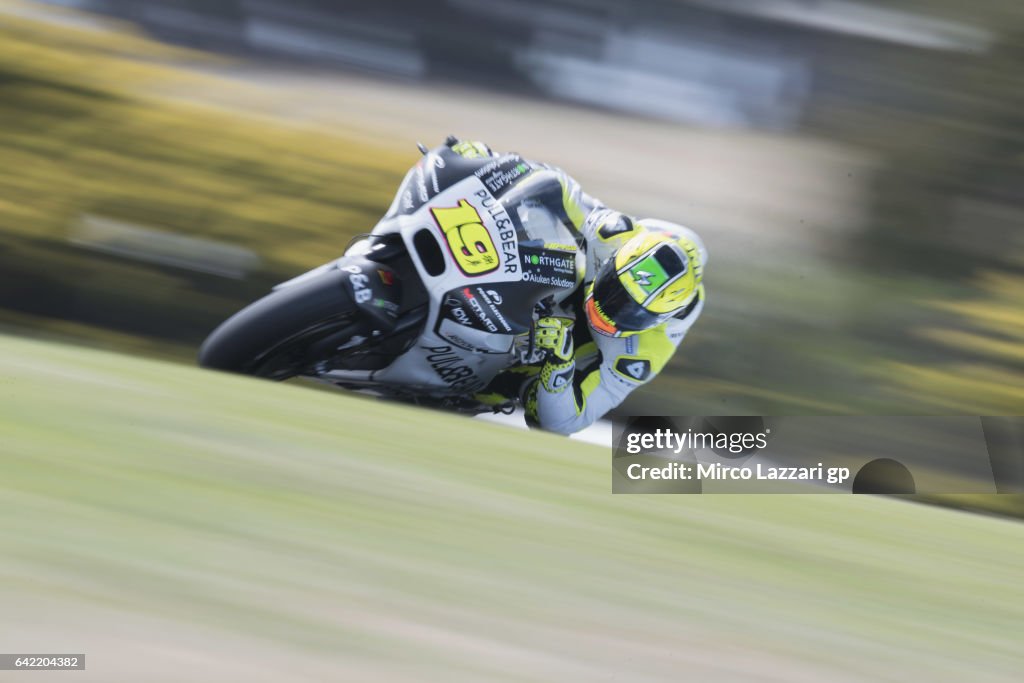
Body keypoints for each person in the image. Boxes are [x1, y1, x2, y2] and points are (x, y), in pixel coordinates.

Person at [452, 139, 708, 435]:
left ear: (658, 321)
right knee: (538, 221)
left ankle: (484, 379)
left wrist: (559, 363)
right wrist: (485, 164)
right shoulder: (614, 233)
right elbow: (550, 183)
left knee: (536, 396)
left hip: (570, 351)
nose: (607, 311)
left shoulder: (642, 353)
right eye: (615, 288)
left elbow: (565, 423)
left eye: (632, 312)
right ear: (615, 259)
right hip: (569, 281)